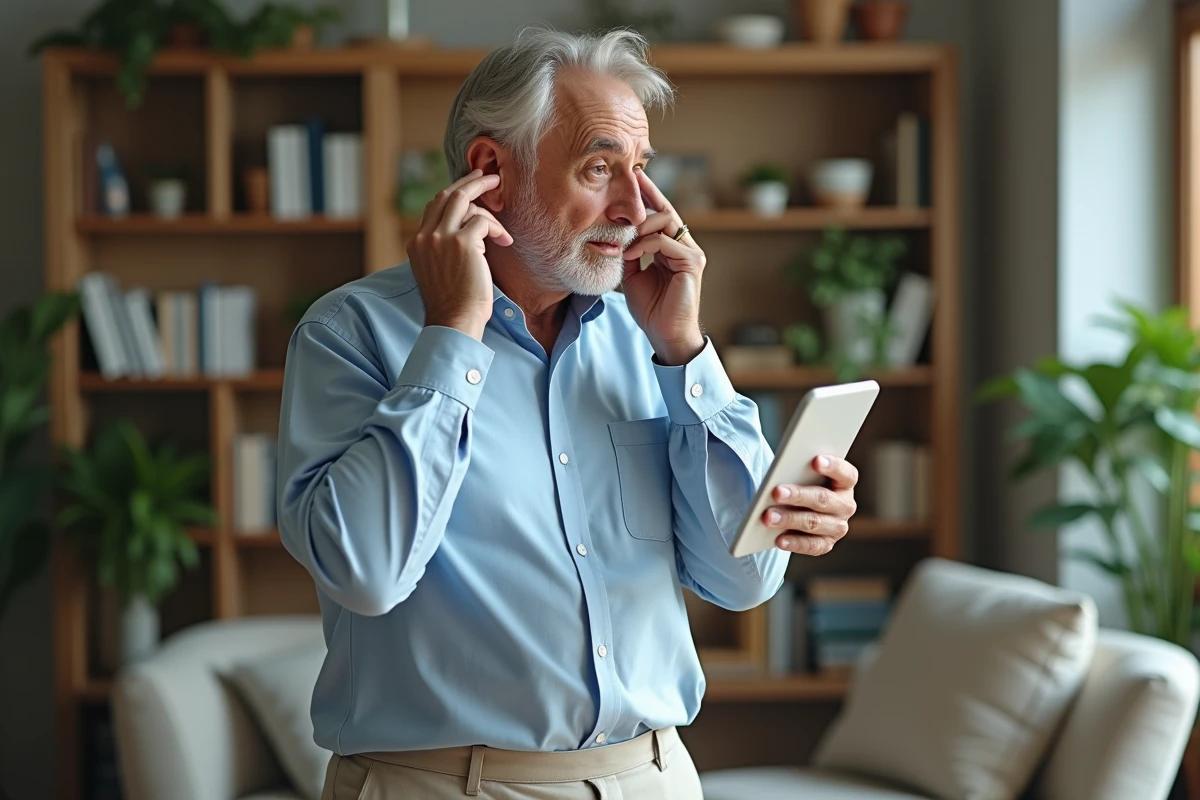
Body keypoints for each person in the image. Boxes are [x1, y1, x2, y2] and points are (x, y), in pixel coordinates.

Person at [277, 27, 860, 800]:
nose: (636, 206)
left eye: (641, 169)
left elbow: (743, 578)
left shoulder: (649, 337)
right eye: (599, 168)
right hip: (448, 785)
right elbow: (366, 572)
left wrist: (686, 350)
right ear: (490, 171)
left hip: (653, 775)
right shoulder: (351, 334)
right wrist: (452, 336)